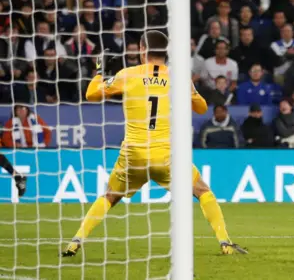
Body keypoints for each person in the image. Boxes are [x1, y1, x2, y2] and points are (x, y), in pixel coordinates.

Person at [62, 31, 247, 257]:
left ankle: (76, 240)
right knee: (202, 191)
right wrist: (190, 92)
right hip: (166, 155)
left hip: (133, 153)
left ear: (142, 50)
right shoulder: (177, 77)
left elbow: (91, 94)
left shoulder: (128, 74)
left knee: (110, 196)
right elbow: (200, 108)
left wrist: (100, 72)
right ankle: (224, 242)